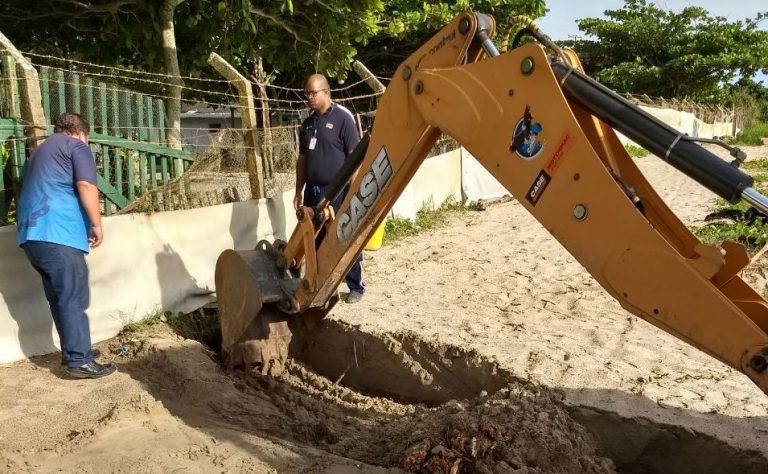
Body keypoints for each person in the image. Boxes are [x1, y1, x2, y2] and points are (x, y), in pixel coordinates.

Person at [16, 112, 116, 379]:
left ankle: (74, 352)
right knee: (73, 296)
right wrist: (96, 223)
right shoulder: (76, 147)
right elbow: (85, 184)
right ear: (82, 132)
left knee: (60, 297)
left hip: (32, 236)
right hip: (57, 233)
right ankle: (79, 361)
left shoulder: (39, 151)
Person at [294, 73, 365, 303]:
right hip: (313, 191)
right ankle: (322, 285)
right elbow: (302, 160)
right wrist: (298, 190)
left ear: (326, 91)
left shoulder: (343, 118)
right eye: (307, 94)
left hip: (338, 190)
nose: (309, 98)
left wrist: (353, 189)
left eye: (313, 93)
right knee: (314, 240)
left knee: (345, 234)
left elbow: (355, 157)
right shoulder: (306, 125)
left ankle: (355, 285)